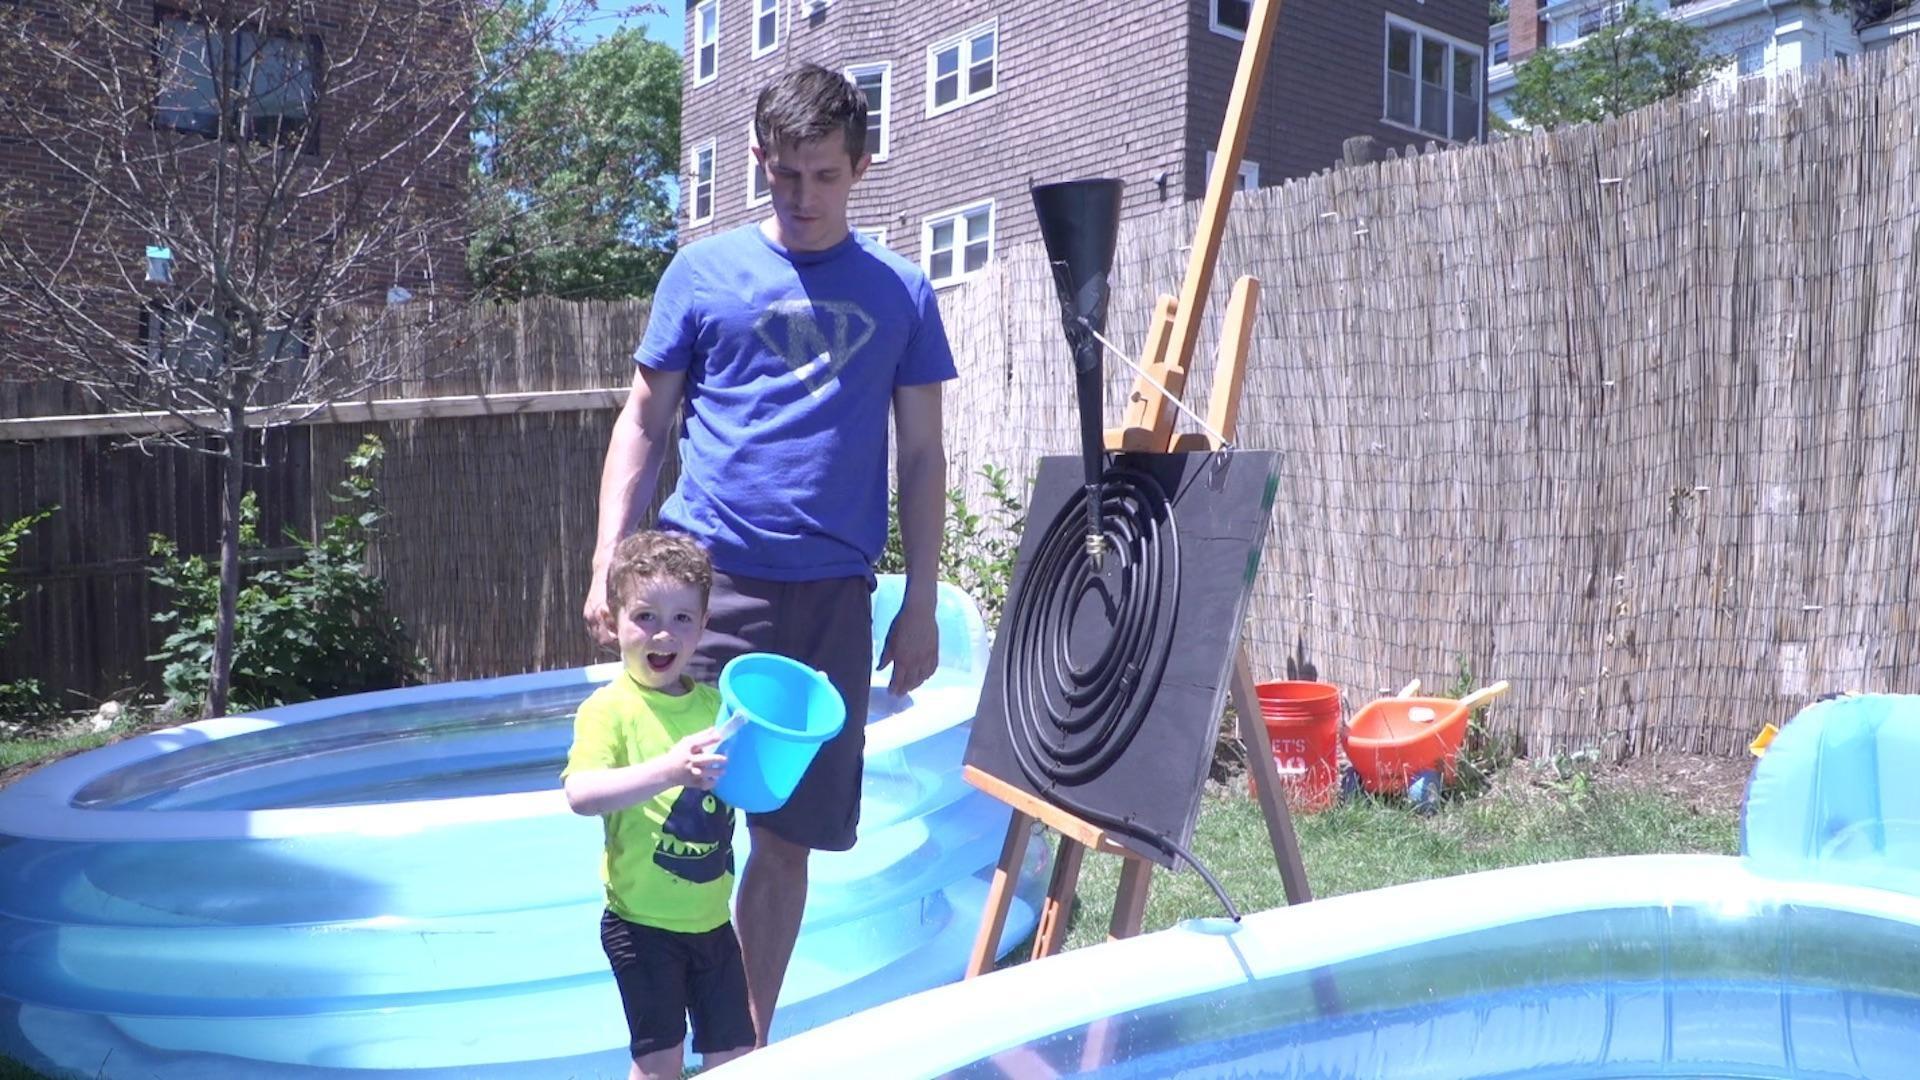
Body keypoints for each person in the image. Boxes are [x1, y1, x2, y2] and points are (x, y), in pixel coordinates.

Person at [581, 63, 956, 1045]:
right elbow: (643, 423)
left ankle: (741, 1048)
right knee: (679, 828)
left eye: (823, 177)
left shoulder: (902, 292)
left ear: (860, 168)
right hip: (705, 594)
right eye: (783, 176)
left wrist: (919, 602)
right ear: (759, 162)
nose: (801, 198)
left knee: (787, 841)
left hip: (831, 598)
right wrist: (605, 563)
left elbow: (921, 455)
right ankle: (663, 1041)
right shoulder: (700, 275)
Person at [564, 530, 752, 1079]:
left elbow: (757, 786)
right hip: (641, 925)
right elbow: (581, 794)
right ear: (613, 620)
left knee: (736, 1060)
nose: (662, 632)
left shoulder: (721, 709)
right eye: (645, 616)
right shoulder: (609, 711)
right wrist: (669, 770)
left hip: (713, 923)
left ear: (703, 627)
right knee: (659, 1064)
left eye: (681, 619)